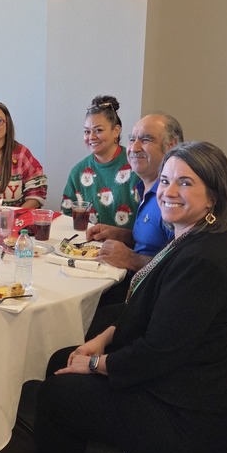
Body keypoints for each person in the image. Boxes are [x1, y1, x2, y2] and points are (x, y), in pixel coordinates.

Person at [9, 141, 227, 453]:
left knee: (60, 394)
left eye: (186, 183)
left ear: (213, 195)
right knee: (63, 357)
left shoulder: (203, 261)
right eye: (165, 181)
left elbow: (158, 354)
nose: (168, 191)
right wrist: (97, 343)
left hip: (191, 414)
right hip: (187, 380)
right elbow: (148, 315)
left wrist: (94, 366)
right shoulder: (191, 238)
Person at [83, 111, 184, 334]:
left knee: (78, 317)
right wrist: (122, 234)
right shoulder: (144, 186)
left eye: (145, 139)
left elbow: (181, 272)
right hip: (132, 287)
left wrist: (131, 259)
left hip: (149, 306)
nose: (134, 147)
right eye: (132, 139)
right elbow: (157, 243)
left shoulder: (172, 200)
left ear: (171, 146)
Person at [61, 96, 136, 228]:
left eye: (98, 130)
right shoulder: (78, 171)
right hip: (85, 245)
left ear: (116, 131)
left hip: (128, 246)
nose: (91, 137)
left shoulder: (136, 166)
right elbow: (66, 215)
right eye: (87, 131)